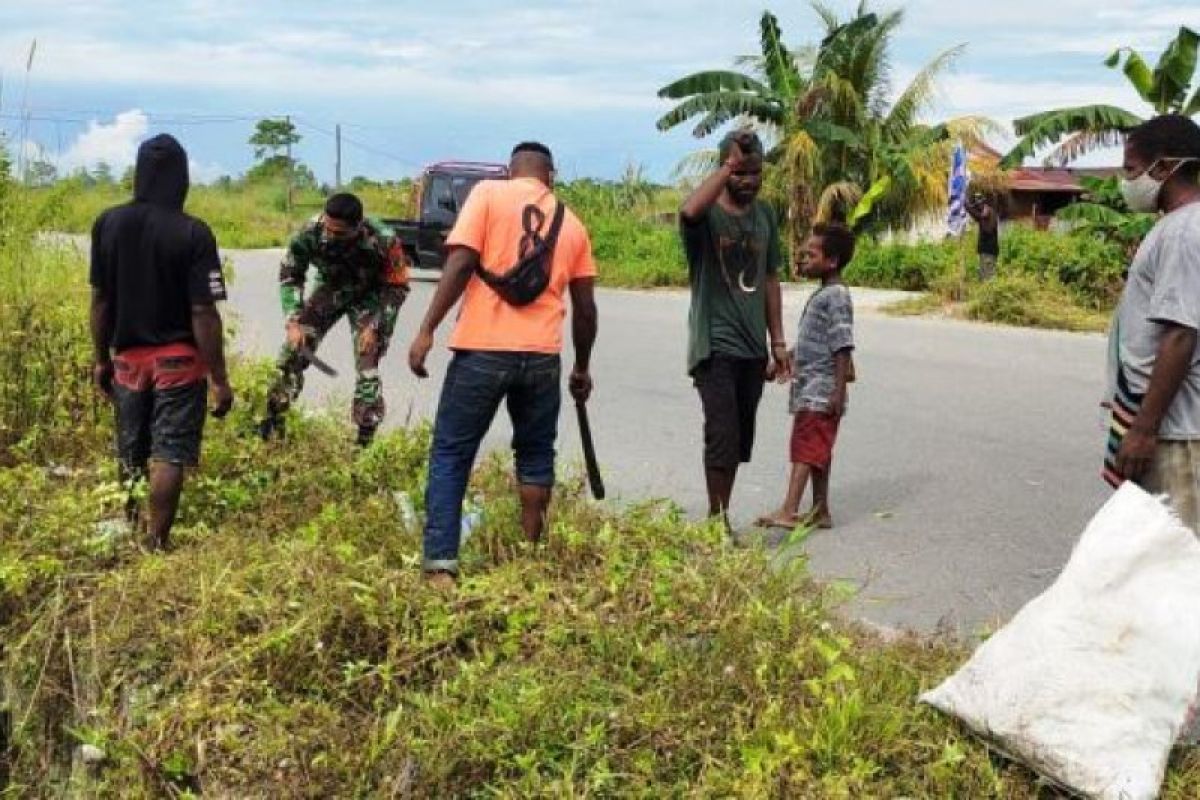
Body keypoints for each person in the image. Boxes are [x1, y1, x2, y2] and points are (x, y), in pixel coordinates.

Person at [408, 142, 598, 588]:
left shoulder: (488, 195)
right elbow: (586, 309)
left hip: (482, 349)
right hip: (542, 357)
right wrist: (582, 367)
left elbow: (459, 263)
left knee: (452, 452)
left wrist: (426, 330)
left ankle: (440, 566)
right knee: (534, 456)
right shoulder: (572, 223)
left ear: (512, 170)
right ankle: (530, 555)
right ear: (551, 176)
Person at [89, 133, 234, 551]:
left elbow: (100, 300)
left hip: (128, 361)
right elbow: (203, 312)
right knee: (169, 452)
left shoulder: (108, 223)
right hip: (179, 362)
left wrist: (101, 360)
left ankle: (130, 525)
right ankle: (155, 542)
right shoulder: (193, 232)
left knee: (130, 447)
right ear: (181, 179)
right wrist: (220, 380)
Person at [679, 129, 790, 530]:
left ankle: (721, 511)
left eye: (755, 173)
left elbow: (771, 278)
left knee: (741, 438)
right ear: (725, 172)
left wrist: (777, 341)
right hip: (716, 345)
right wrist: (728, 165)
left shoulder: (765, 216)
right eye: (741, 173)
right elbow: (688, 211)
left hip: (753, 348)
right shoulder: (707, 217)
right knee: (722, 433)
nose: (750, 181)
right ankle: (717, 520)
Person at [1103, 114, 1200, 531]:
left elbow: (1180, 334)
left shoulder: (1183, 232)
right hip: (1169, 425)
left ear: (1164, 168)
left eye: (1130, 169)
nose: (1126, 181)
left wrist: (1144, 429)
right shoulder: (1175, 227)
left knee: (1174, 562)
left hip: (1175, 433)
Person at [259, 193, 410, 446]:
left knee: (367, 365)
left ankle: (364, 442)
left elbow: (397, 287)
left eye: (339, 233)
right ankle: (273, 423)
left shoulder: (384, 239)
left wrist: (375, 326)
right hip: (331, 287)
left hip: (371, 296)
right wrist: (293, 321)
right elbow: (290, 275)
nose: (330, 236)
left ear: (358, 227)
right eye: (328, 229)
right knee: (293, 352)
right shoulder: (310, 231)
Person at [758, 223, 856, 531]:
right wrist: (784, 362)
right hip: (812, 386)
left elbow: (842, 343)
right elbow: (816, 339)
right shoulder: (824, 294)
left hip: (821, 390)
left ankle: (789, 509)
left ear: (832, 261)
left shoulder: (836, 295)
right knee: (819, 450)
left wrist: (837, 391)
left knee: (805, 448)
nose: (804, 259)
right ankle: (820, 509)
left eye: (811, 254)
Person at [966, 192, 1000, 281]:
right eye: (977, 204)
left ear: (984, 203)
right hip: (984, 250)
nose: (978, 206)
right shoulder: (982, 216)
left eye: (980, 204)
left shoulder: (990, 214)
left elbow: (988, 229)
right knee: (982, 275)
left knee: (989, 276)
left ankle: (990, 292)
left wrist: (969, 208)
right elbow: (976, 214)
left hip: (990, 250)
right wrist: (968, 207)